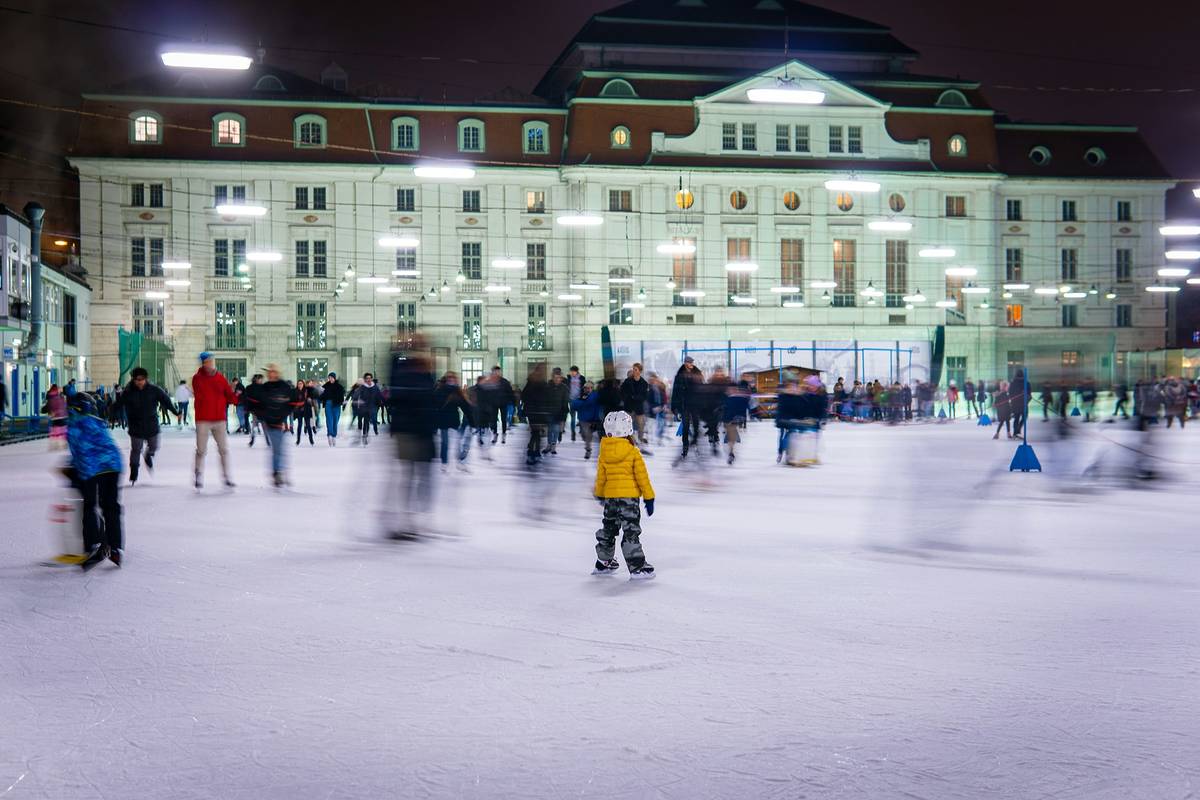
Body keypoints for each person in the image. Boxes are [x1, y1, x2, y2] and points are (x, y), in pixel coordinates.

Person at [592, 410, 656, 580]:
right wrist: (649, 497)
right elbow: (642, 478)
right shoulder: (633, 452)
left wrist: (599, 494)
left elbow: (601, 477)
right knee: (630, 531)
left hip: (611, 498)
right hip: (629, 499)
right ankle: (637, 567)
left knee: (609, 528)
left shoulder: (604, 452)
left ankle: (603, 562)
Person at [66, 392, 125, 570]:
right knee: (111, 506)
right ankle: (115, 546)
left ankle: (92, 543)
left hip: (91, 467)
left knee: (90, 505)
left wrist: (75, 476)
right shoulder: (98, 421)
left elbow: (78, 454)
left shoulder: (73, 426)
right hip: (113, 465)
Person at [386, 336, 437, 539]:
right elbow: (399, 392)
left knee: (421, 477)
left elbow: (429, 401)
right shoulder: (403, 368)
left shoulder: (426, 373)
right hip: (407, 430)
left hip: (421, 430)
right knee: (410, 477)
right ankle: (407, 520)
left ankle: (414, 519)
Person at [107, 367, 178, 485]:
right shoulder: (128, 392)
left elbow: (166, 400)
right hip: (136, 426)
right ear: (133, 380)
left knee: (154, 446)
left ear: (146, 379)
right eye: (137, 379)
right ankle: (134, 471)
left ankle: (148, 455)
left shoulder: (154, 390)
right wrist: (110, 412)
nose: (139, 382)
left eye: (142, 379)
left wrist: (176, 412)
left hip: (152, 425)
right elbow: (118, 404)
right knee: (136, 449)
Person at [242, 364, 302, 488]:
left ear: (277, 373)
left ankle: (279, 472)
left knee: (280, 450)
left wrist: (291, 407)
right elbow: (255, 399)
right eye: (270, 372)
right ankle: (278, 473)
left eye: (274, 372)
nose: (272, 374)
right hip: (271, 422)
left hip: (281, 421)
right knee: (278, 449)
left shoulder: (284, 386)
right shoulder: (265, 388)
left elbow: (293, 398)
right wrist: (258, 412)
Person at [191, 351, 237, 490]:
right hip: (203, 419)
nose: (210, 364)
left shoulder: (220, 377)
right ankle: (198, 474)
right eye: (207, 362)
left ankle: (227, 476)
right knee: (201, 450)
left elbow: (228, 394)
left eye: (211, 361)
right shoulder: (197, 378)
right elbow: (201, 393)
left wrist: (235, 398)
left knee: (223, 449)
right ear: (203, 363)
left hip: (219, 419)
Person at [432, 371, 473, 471]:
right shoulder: (440, 390)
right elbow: (435, 404)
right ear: (446, 379)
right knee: (445, 442)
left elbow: (464, 406)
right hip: (443, 420)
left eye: (453, 377)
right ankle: (444, 462)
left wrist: (472, 419)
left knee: (457, 441)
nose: (451, 379)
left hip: (453, 420)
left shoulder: (457, 391)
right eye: (449, 377)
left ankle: (459, 461)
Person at [521, 363, 554, 465]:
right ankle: (533, 453)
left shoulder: (530, 382)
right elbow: (548, 398)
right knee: (536, 434)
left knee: (535, 434)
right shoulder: (543, 383)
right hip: (539, 412)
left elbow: (524, 396)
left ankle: (533, 453)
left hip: (532, 412)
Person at [671, 357, 702, 459]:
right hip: (684, 405)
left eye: (691, 362)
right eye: (689, 362)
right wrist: (674, 407)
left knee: (696, 425)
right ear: (685, 363)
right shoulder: (679, 376)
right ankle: (685, 445)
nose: (691, 364)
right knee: (685, 426)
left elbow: (702, 389)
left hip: (695, 404)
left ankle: (695, 441)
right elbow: (675, 392)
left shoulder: (697, 374)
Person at [722, 376, 753, 464]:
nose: (731, 391)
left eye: (733, 389)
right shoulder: (726, 398)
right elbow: (722, 408)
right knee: (730, 435)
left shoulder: (740, 398)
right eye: (729, 389)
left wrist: (754, 413)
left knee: (731, 434)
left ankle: (731, 452)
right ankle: (731, 451)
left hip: (734, 420)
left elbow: (748, 406)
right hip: (727, 420)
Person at [620, 363, 651, 444]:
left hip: (638, 408)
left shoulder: (644, 383)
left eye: (635, 369)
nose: (633, 371)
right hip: (629, 407)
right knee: (627, 425)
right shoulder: (627, 381)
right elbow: (622, 391)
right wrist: (626, 398)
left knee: (641, 425)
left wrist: (635, 398)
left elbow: (645, 396)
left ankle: (640, 438)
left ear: (640, 371)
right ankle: (631, 439)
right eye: (633, 369)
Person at [571, 380, 602, 459]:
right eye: (585, 388)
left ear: (592, 388)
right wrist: (582, 401)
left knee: (588, 435)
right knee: (584, 435)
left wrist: (596, 419)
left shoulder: (596, 396)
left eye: (589, 388)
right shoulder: (581, 396)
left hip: (591, 419)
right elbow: (574, 406)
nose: (587, 389)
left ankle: (588, 450)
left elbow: (597, 407)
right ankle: (588, 447)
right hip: (583, 419)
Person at [352, 372, 384, 445]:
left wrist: (381, 402)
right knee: (361, 421)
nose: (368, 380)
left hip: (370, 407)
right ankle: (363, 434)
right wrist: (356, 400)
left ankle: (365, 435)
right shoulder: (362, 387)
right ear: (365, 379)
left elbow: (379, 396)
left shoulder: (375, 387)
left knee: (366, 422)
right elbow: (356, 394)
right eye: (367, 378)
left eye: (370, 378)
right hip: (362, 407)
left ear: (371, 379)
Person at [545, 367, 570, 454]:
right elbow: (544, 399)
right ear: (553, 377)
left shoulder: (564, 388)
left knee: (555, 429)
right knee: (550, 429)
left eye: (558, 378)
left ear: (561, 378)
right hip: (549, 412)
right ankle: (549, 445)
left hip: (558, 412)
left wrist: (564, 414)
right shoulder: (548, 386)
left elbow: (565, 402)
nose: (557, 379)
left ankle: (553, 446)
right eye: (555, 378)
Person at [42, 384, 69, 450]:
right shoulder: (61, 397)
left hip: (54, 417)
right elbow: (64, 406)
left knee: (55, 431)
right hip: (62, 416)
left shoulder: (50, 397)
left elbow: (48, 406)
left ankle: (54, 445)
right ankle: (63, 444)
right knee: (63, 431)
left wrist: (43, 410)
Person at [322, 372, 346, 445]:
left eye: (332, 377)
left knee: (335, 420)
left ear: (334, 378)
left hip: (336, 405)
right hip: (328, 404)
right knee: (329, 420)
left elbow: (342, 397)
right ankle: (330, 434)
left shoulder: (339, 387)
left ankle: (334, 435)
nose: (330, 379)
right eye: (329, 377)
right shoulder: (325, 386)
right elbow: (322, 395)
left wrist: (342, 402)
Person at [566, 366, 587, 441]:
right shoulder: (568, 379)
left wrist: (584, 397)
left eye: (573, 371)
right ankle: (573, 432)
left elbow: (585, 388)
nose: (572, 373)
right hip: (571, 400)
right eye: (571, 371)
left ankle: (582, 431)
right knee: (573, 417)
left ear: (576, 371)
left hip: (579, 400)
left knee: (581, 416)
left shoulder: (582, 378)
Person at [294, 379, 317, 445]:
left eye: (301, 384)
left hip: (306, 410)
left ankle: (311, 439)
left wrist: (310, 399)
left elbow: (313, 395)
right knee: (299, 425)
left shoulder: (307, 391)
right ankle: (298, 440)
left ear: (303, 384)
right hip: (299, 411)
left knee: (308, 425)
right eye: (299, 384)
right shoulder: (295, 392)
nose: (300, 385)